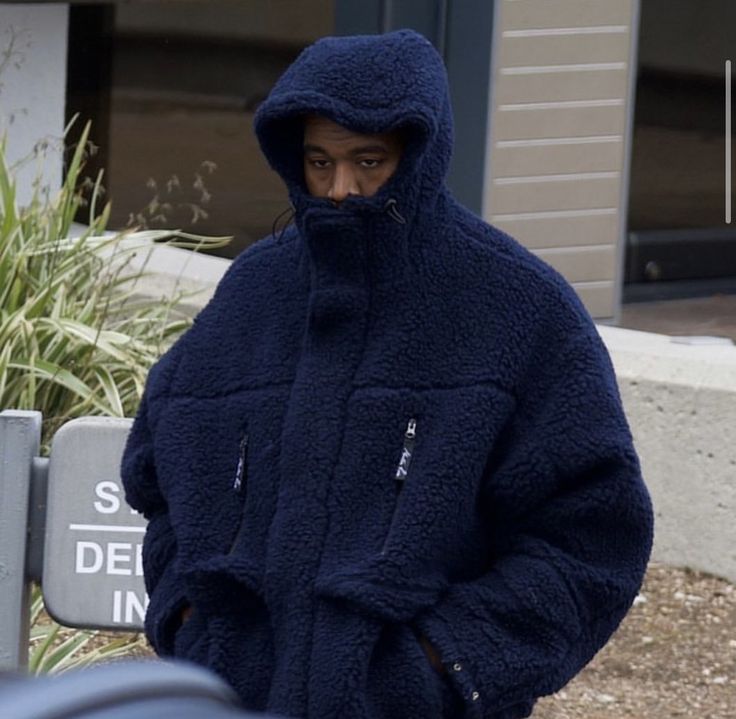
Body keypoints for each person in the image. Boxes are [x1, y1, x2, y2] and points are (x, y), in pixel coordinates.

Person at [122, 29, 653, 719]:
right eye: (319, 162)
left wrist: (437, 664)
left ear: (418, 156)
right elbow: (158, 475)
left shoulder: (520, 307)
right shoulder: (254, 292)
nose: (341, 188)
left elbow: (592, 537)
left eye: (368, 160)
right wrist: (192, 622)